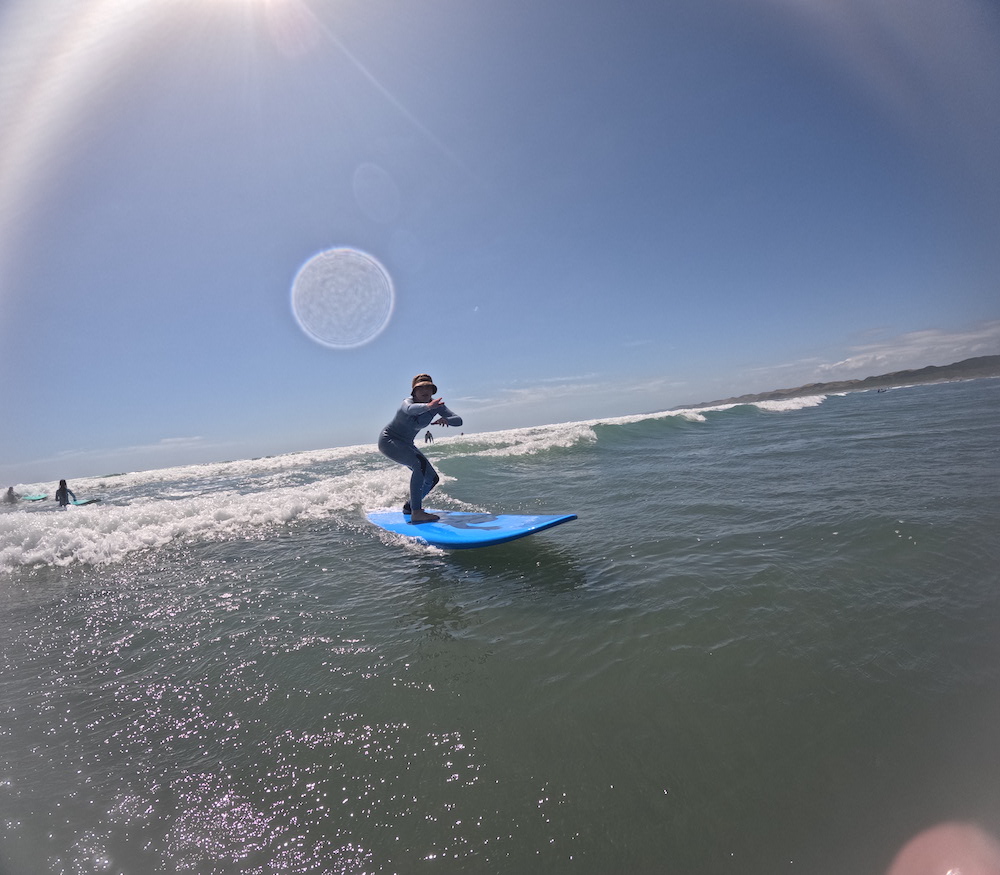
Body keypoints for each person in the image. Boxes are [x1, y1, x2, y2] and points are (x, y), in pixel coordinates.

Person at [378, 374, 462, 523]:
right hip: (389, 440)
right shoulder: (408, 402)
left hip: (407, 443)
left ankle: (410, 507)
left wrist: (446, 419)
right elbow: (410, 409)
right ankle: (417, 512)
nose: (425, 390)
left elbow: (458, 420)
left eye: (428, 387)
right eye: (421, 388)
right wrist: (429, 407)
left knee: (432, 479)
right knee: (418, 465)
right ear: (414, 391)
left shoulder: (436, 405)